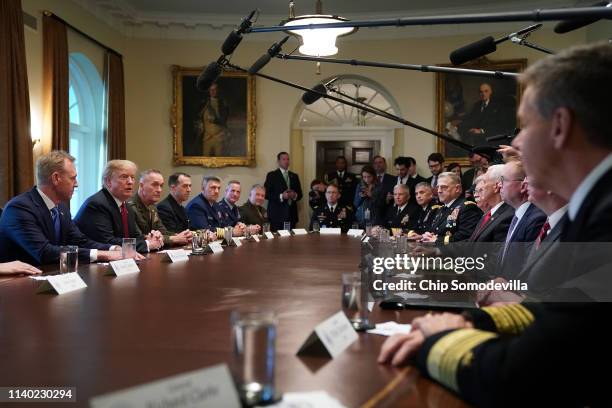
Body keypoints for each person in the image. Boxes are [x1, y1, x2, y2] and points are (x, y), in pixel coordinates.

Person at [377, 43, 612, 407]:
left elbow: (521, 378)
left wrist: (439, 338)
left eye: (526, 125)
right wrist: (476, 322)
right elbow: (567, 307)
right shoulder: (597, 202)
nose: (516, 142)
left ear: (561, 126)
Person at [0, 151, 124, 265]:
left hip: (53, 276)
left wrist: (112, 248)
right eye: (73, 178)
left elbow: (79, 240)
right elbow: (44, 252)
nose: (77, 184)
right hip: (19, 283)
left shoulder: (61, 208)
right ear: (56, 178)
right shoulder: (19, 209)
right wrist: (102, 255)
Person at [75, 160, 163, 254]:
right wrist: (147, 244)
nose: (130, 182)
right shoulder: (97, 204)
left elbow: (135, 237)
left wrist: (152, 237)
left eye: (132, 177)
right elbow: (107, 242)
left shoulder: (127, 207)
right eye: (124, 177)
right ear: (108, 181)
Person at [497, 160, 546, 279]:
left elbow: (527, 269)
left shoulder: (536, 219)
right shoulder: (518, 215)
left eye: (503, 180)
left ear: (523, 186)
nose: (499, 185)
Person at [130, 170, 192, 246]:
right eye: (154, 185)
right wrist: (175, 238)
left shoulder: (153, 207)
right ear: (141, 186)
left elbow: (163, 231)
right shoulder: (130, 207)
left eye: (161, 185)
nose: (159, 190)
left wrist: (183, 236)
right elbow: (140, 238)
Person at [421, 172, 482, 244]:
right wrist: (428, 235)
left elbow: (465, 236)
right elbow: (436, 231)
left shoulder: (467, 207)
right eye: (438, 187)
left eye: (444, 187)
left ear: (457, 188)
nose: (439, 191)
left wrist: (437, 240)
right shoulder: (442, 208)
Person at [457, 82, 515, 146]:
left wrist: (481, 130)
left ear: (490, 92)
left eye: (486, 91)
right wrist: (463, 124)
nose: (483, 94)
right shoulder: (477, 105)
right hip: (476, 135)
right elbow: (472, 119)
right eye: (481, 92)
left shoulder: (498, 106)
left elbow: (499, 126)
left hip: (490, 136)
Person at [468, 165, 514, 243]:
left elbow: (495, 253)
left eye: (485, 182)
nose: (482, 185)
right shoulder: (489, 214)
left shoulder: (507, 217)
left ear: (496, 187)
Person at [264, 152, 303, 230]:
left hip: (291, 215)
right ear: (278, 161)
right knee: (277, 241)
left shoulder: (294, 176)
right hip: (276, 215)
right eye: (284, 159)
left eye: (288, 159)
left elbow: (300, 195)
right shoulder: (272, 175)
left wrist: (294, 195)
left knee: (291, 240)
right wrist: (281, 196)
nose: (286, 161)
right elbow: (266, 194)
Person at [199, 82, 229, 156]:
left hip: (218, 137)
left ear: (217, 90)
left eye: (214, 89)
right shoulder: (204, 103)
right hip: (206, 137)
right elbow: (198, 117)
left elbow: (224, 120)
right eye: (211, 90)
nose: (212, 91)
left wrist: (214, 119)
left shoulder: (222, 103)